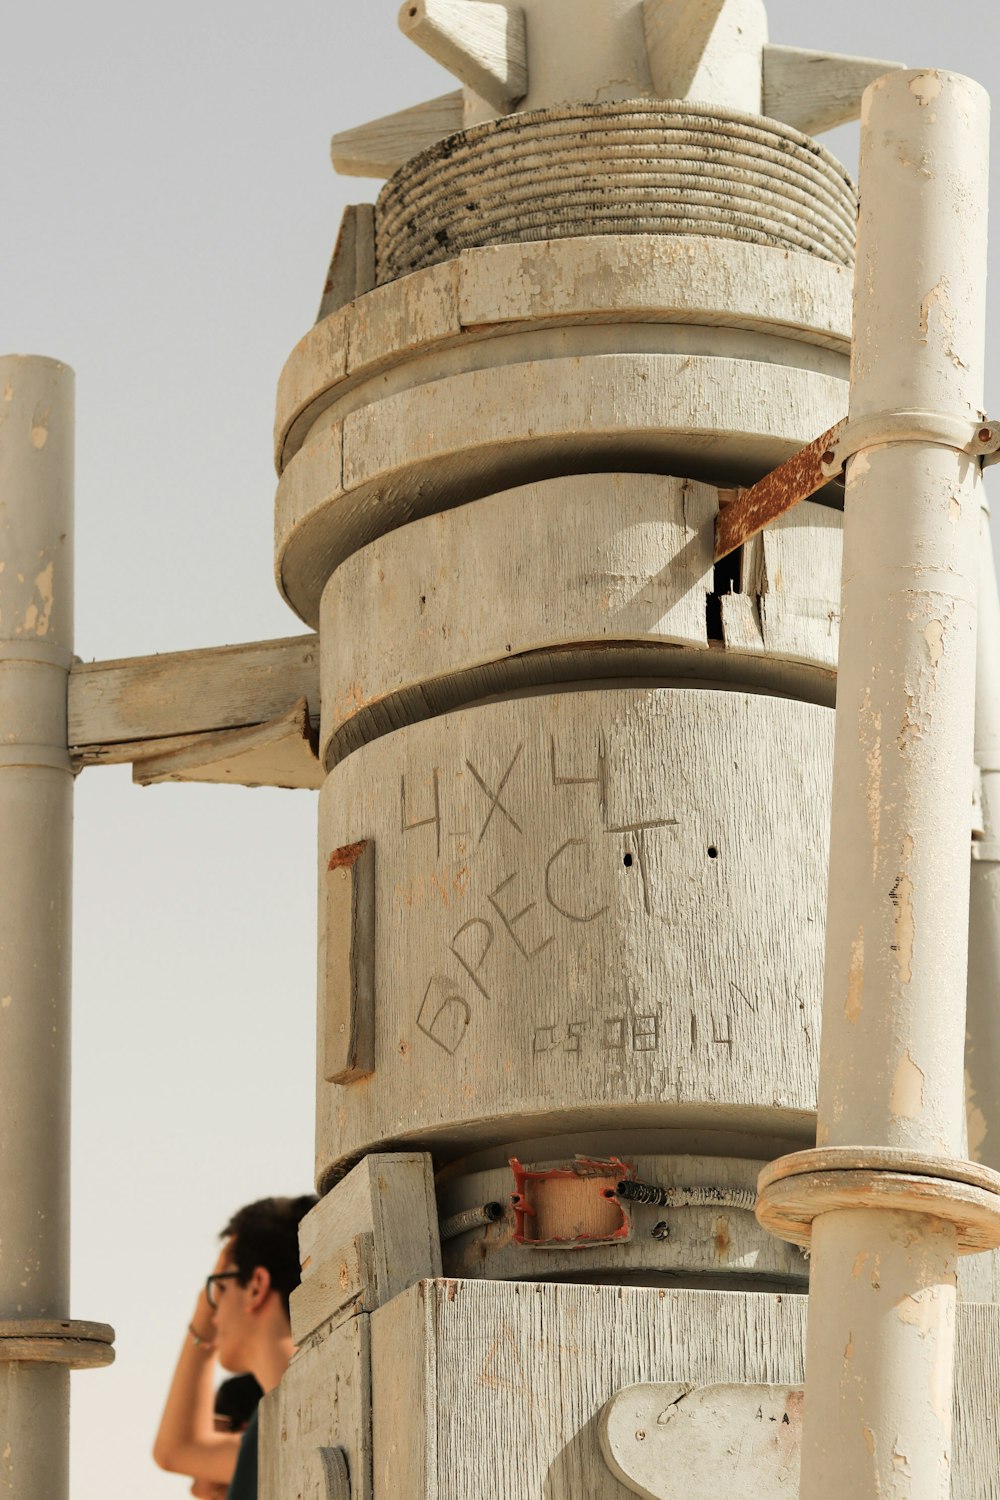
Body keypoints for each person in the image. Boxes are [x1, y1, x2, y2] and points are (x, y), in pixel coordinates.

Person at [154, 1194, 317, 1499]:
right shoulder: (277, 1424)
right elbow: (178, 1449)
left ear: (256, 1286)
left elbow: (177, 1448)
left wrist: (200, 1324)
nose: (214, 1311)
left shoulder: (286, 1425)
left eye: (221, 1288)